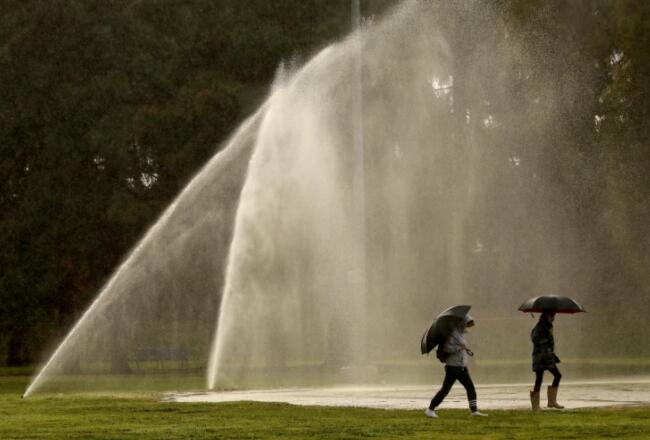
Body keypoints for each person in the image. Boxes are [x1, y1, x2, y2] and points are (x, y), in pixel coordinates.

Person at [425, 315, 487, 418]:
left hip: (461, 365)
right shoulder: (451, 334)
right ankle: (430, 409)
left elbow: (461, 345)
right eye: (467, 323)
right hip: (453, 366)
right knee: (446, 389)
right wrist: (459, 348)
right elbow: (447, 349)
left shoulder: (460, 334)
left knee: (469, 388)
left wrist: (463, 348)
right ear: (461, 322)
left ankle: (474, 410)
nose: (468, 325)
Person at [530, 310, 564, 410]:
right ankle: (536, 405)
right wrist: (545, 341)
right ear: (547, 316)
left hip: (547, 356)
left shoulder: (548, 326)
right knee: (539, 379)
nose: (554, 318)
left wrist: (552, 354)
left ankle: (552, 402)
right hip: (540, 357)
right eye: (552, 315)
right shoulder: (540, 327)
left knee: (556, 375)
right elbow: (535, 339)